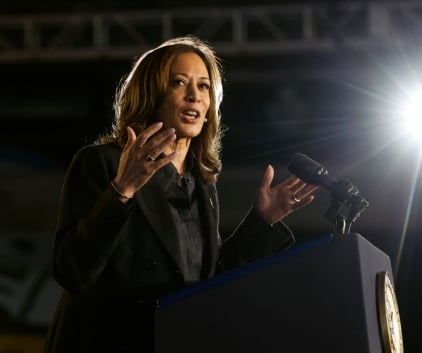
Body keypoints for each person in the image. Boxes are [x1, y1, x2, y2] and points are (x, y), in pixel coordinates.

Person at [43, 35, 317, 353]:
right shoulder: (103, 163)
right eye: (179, 82)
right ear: (152, 93)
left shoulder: (202, 186)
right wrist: (123, 189)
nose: (194, 96)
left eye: (203, 86)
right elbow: (71, 270)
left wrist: (262, 222)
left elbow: (208, 285)